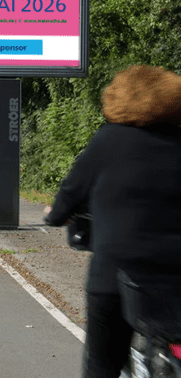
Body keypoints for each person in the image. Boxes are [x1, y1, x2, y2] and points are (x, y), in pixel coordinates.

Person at [43, 65, 181, 378]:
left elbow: (72, 191)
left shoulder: (108, 141)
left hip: (117, 276)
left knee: (101, 366)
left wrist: (55, 215)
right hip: (176, 276)